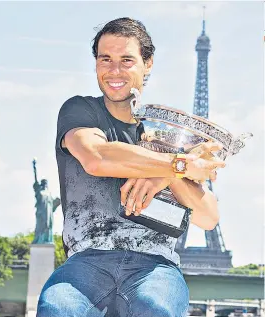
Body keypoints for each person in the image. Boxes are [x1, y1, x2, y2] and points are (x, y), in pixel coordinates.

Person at [36, 17, 226, 317]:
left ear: (147, 64)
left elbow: (208, 217)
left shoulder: (168, 135)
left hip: (155, 265)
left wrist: (164, 175)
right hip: (89, 259)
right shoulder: (80, 110)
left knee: (155, 308)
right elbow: (97, 156)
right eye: (105, 59)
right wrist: (180, 164)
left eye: (126, 60)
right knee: (57, 308)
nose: (114, 70)